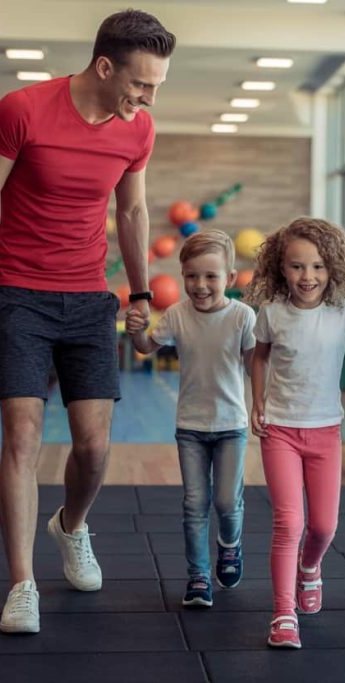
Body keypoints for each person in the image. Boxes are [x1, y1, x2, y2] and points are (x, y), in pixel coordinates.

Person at [0, 10, 175, 635]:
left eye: (157, 85)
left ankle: (71, 526)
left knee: (95, 446)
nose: (149, 98)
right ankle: (22, 583)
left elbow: (131, 211)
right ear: (105, 68)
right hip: (18, 293)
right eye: (141, 84)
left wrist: (137, 292)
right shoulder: (22, 109)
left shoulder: (138, 130)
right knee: (22, 438)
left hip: (87, 299)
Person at [247, 218, 345, 649]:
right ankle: (282, 614)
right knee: (289, 522)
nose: (307, 277)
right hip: (279, 430)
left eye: (316, 267)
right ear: (281, 268)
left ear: (331, 269)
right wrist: (257, 401)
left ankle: (309, 568)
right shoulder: (272, 313)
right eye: (297, 267)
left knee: (324, 527)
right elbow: (259, 358)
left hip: (325, 434)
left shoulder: (342, 315)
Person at [124, 229, 256, 608]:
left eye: (211, 276)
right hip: (191, 429)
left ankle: (229, 546)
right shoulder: (178, 316)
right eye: (192, 276)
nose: (200, 285)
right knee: (194, 503)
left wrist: (264, 401)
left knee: (228, 502)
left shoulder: (242, 317)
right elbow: (148, 348)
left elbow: (253, 367)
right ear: (182, 276)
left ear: (230, 279)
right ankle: (198, 576)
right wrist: (136, 332)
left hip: (231, 425)